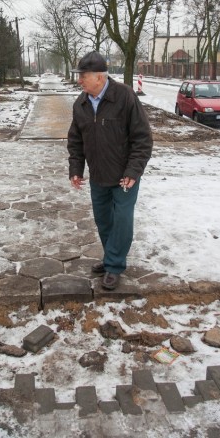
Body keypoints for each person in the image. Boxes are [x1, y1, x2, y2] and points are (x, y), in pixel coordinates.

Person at [67, 51, 153, 290]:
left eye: (83, 76)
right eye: (79, 76)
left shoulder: (124, 97)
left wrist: (133, 172)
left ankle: (114, 265)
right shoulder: (81, 104)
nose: (79, 80)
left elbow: (142, 138)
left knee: (122, 221)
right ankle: (110, 258)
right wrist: (76, 169)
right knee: (103, 221)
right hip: (98, 176)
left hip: (125, 176)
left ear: (100, 77)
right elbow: (75, 141)